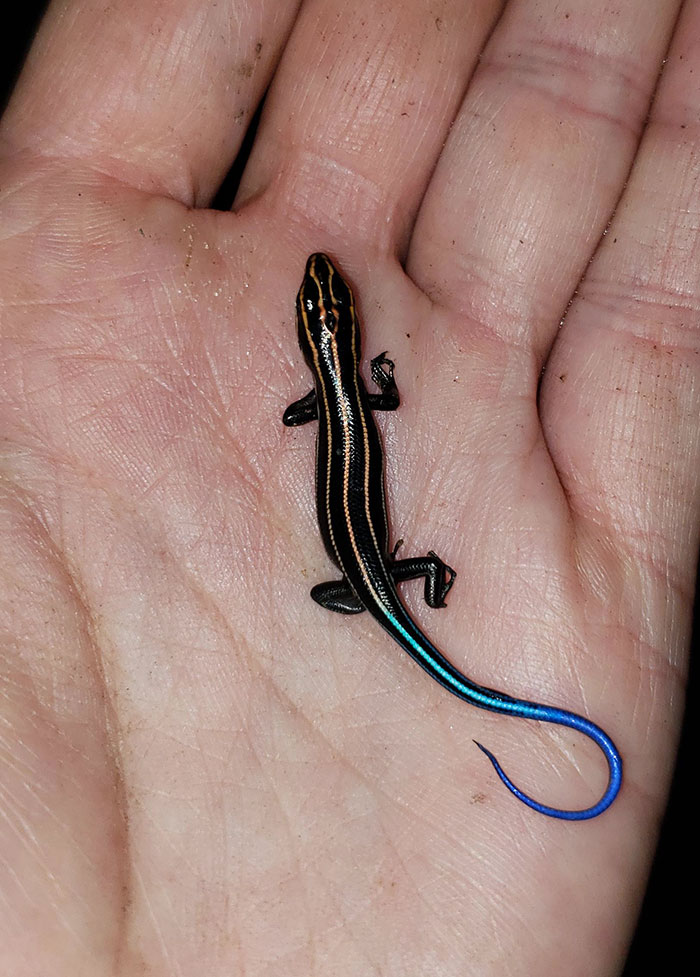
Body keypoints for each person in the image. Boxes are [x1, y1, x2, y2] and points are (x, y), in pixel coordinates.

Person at [0, 1, 695, 973]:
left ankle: (438, 617)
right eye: (319, 303)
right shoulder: (355, 398)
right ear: (331, 336)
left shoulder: (329, 407)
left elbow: (332, 410)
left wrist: (394, 562)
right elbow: (382, 393)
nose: (321, 299)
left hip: (370, 572)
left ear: (319, 337)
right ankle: (448, 635)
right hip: (373, 567)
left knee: (377, 580)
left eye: (321, 303)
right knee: (382, 579)